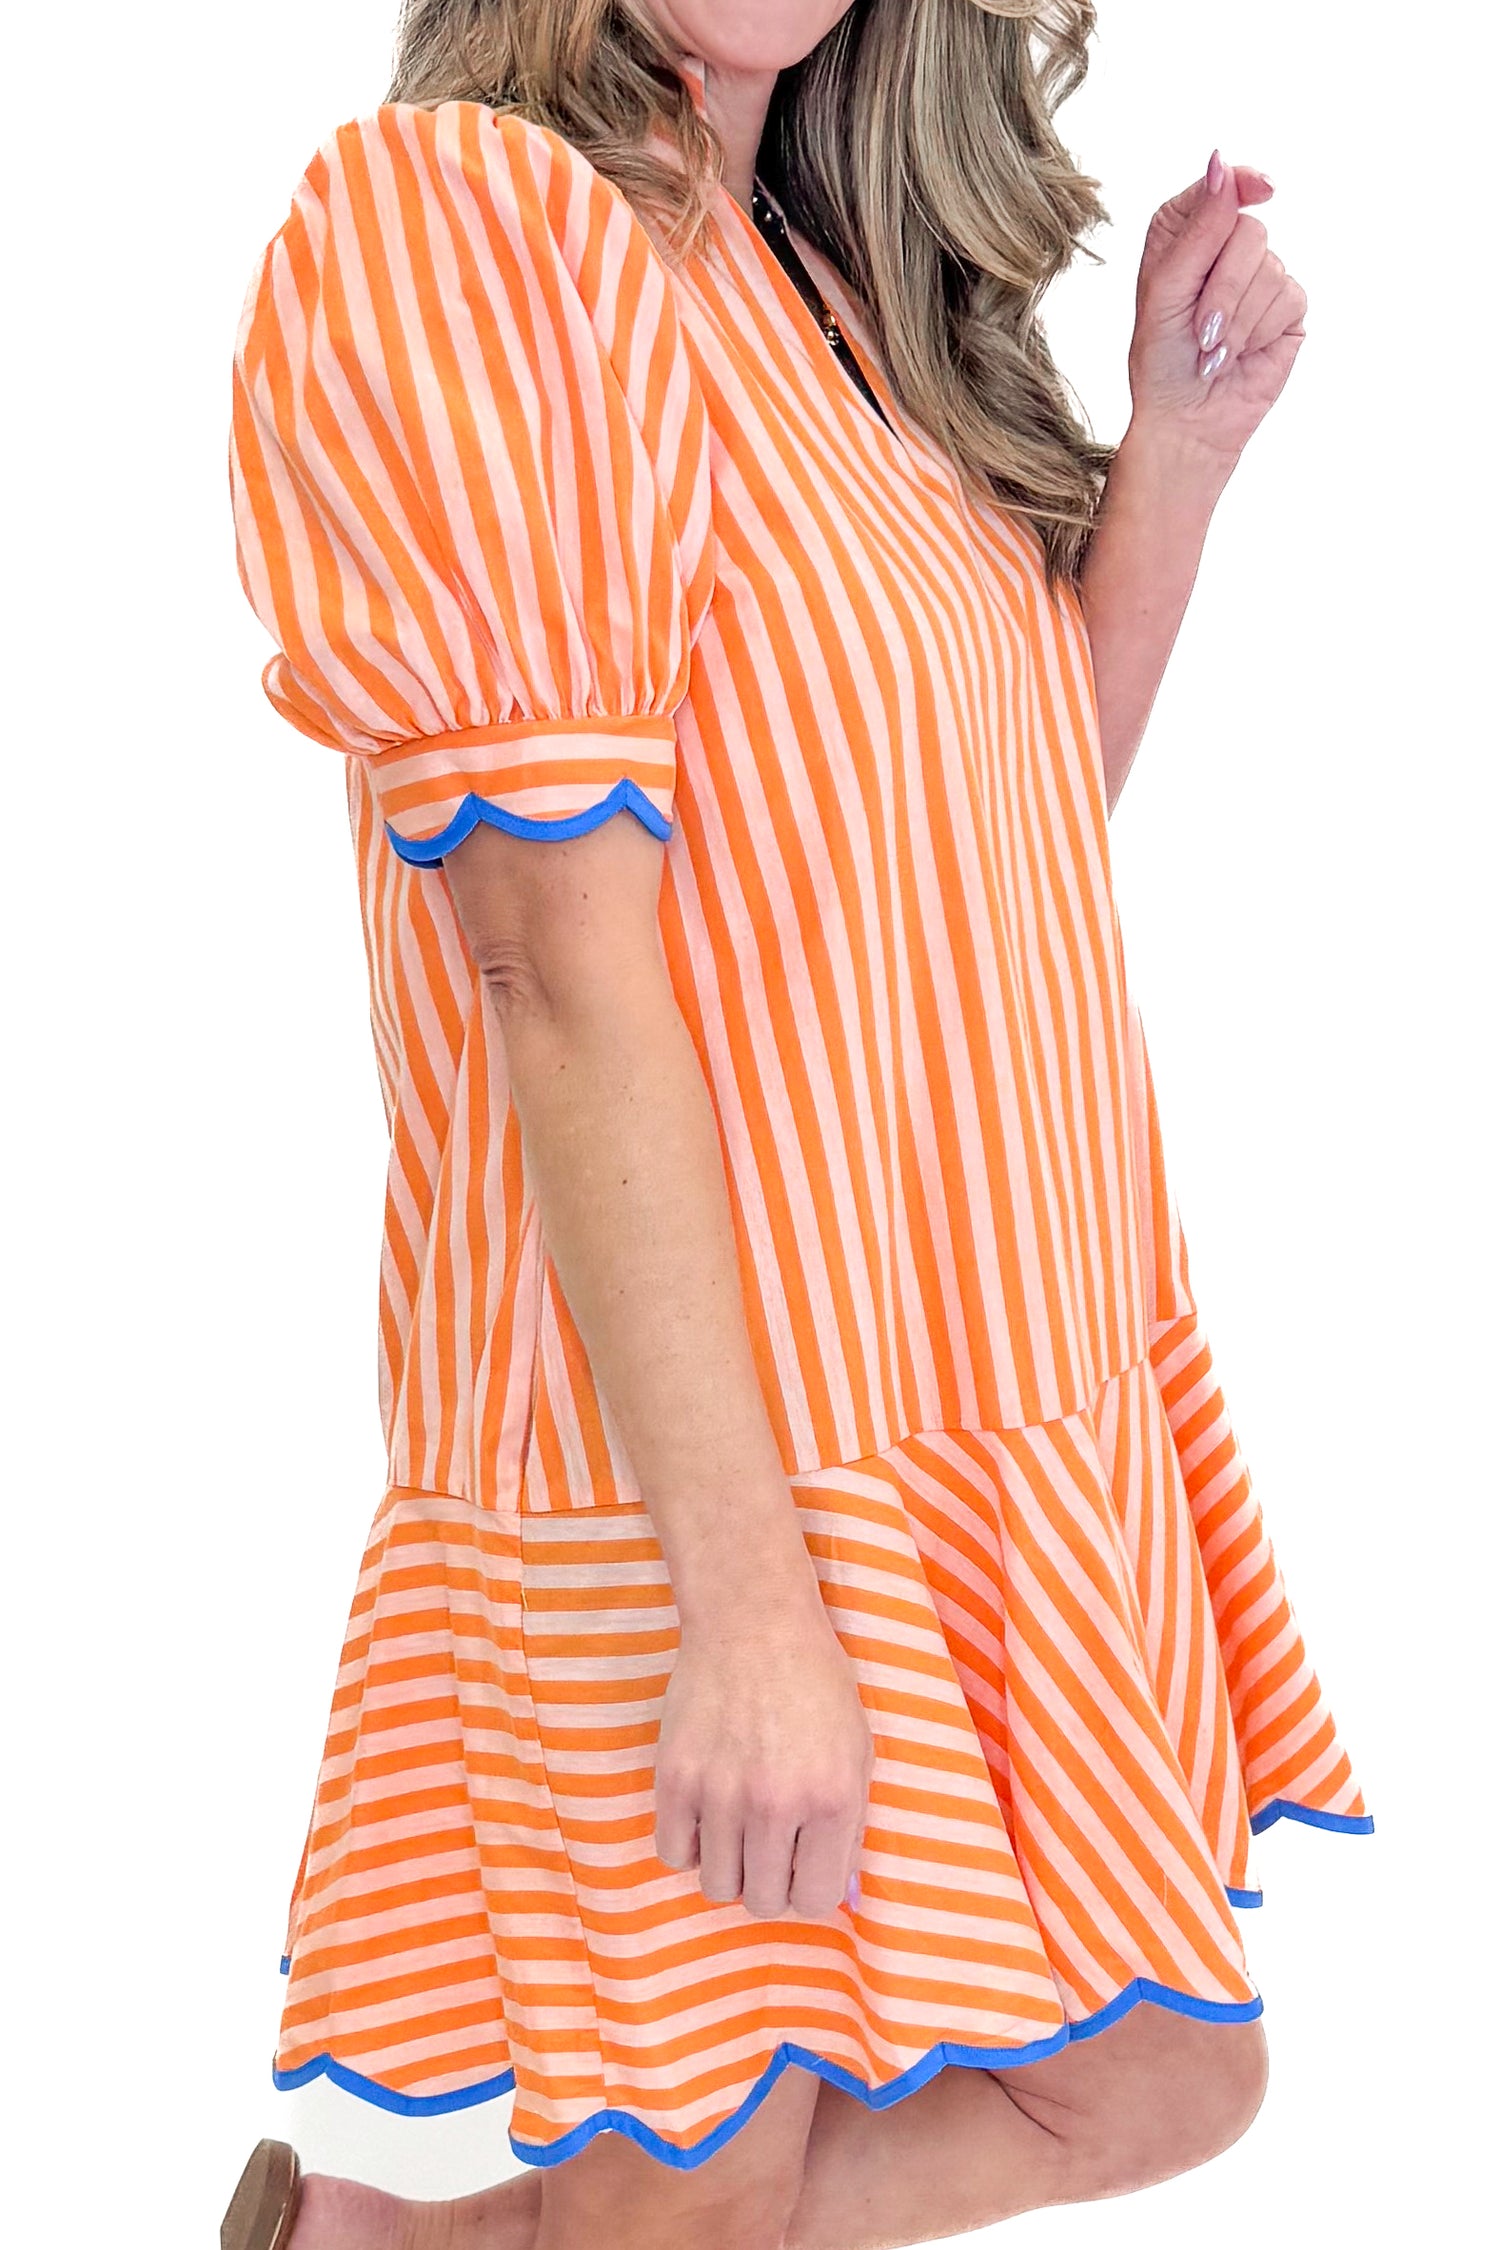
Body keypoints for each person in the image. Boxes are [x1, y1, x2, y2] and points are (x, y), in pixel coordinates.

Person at [220, 5, 1372, 2246]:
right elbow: (554, 967)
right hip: (697, 1459)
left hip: (949, 1395)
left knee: (1162, 2076)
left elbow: (989, 844)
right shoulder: (482, 233)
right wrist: (747, 1600)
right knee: (708, 2198)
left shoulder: (820, 291)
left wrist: (1184, 452)